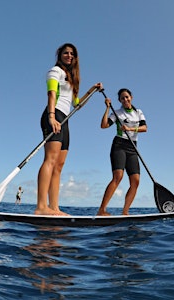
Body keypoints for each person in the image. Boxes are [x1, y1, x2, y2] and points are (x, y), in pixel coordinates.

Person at [35, 43, 102, 216]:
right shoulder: (55, 71)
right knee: (50, 160)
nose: (69, 56)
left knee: (59, 165)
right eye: (66, 53)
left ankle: (54, 208)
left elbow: (76, 105)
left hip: (65, 119)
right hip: (53, 115)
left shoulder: (70, 78)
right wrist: (51, 117)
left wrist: (92, 90)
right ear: (60, 55)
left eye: (72, 54)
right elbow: (51, 94)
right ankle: (41, 207)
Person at [97, 88, 146, 216]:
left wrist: (129, 128)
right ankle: (102, 210)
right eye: (122, 98)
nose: (125, 100)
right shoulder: (117, 113)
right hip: (119, 145)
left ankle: (125, 212)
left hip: (133, 147)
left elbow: (144, 128)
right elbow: (103, 126)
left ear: (131, 97)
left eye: (127, 97)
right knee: (118, 177)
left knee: (135, 181)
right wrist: (107, 108)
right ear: (119, 100)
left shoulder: (139, 112)